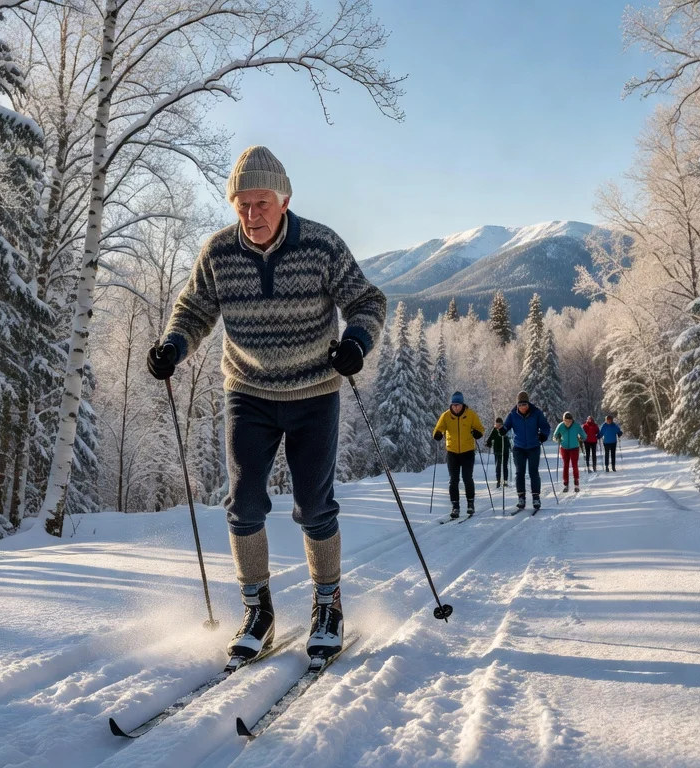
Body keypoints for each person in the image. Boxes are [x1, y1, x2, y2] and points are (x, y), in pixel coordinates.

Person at [148, 146, 386, 663]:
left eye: (261, 203)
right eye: (242, 204)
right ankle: (258, 609)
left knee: (314, 505)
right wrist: (173, 345)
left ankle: (328, 605)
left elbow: (368, 302)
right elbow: (193, 309)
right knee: (245, 503)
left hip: (314, 392)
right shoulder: (218, 253)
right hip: (248, 392)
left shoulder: (322, 246)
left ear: (284, 200)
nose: (251, 215)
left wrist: (356, 343)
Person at [432, 392, 485, 519]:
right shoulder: (446, 416)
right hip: (452, 452)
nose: (456, 407)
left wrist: (478, 433)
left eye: (458, 405)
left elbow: (480, 428)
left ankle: (470, 503)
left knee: (467, 478)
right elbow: (438, 428)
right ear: (451, 405)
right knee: (453, 480)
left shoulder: (470, 414)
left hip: (467, 451)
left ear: (462, 404)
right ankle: (455, 506)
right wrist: (438, 434)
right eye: (454, 405)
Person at [502, 391, 552, 511]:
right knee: (520, 473)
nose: (522, 407)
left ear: (528, 404)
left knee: (533, 472)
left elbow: (546, 427)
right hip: (519, 447)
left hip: (534, 446)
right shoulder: (513, 414)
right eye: (520, 405)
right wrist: (503, 430)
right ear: (517, 405)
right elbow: (506, 426)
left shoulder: (536, 413)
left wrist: (543, 435)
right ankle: (521, 497)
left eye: (524, 404)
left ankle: (536, 497)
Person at [554, 412, 587, 493]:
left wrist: (580, 438)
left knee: (574, 465)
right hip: (564, 448)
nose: (568, 422)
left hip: (574, 448)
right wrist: (557, 438)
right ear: (563, 420)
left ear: (572, 420)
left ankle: (576, 484)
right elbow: (554, 436)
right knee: (565, 465)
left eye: (569, 421)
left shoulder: (576, 426)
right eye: (566, 421)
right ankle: (566, 484)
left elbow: (584, 436)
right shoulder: (561, 425)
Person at [486, 416, 511, 488]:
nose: (498, 426)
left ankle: (505, 481)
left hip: (504, 451)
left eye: (499, 424)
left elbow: (507, 438)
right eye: (497, 424)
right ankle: (498, 481)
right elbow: (490, 438)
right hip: (497, 451)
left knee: (505, 465)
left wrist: (509, 446)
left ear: (502, 424)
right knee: (498, 466)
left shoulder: (505, 429)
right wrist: (489, 443)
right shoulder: (494, 430)